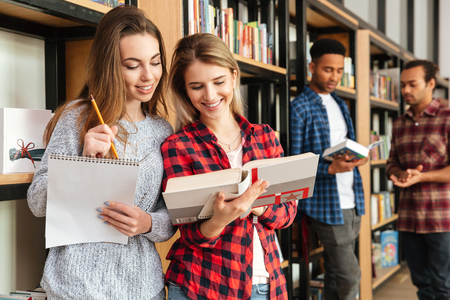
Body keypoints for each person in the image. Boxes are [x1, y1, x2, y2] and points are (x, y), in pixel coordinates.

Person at [27, 5, 175, 299]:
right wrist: (80, 163)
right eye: (132, 65)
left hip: (143, 289)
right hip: (75, 288)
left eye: (155, 62)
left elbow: (172, 216)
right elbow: (37, 203)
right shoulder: (77, 117)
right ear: (110, 65)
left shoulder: (164, 131)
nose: (148, 75)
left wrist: (147, 223)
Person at [161, 33, 296, 300]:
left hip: (265, 284)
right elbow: (190, 236)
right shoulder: (178, 146)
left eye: (219, 81)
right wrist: (222, 218)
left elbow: (288, 214)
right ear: (185, 89)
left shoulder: (266, 137)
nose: (210, 95)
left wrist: (260, 206)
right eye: (196, 86)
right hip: (201, 285)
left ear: (234, 77)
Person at [290, 38, 367, 300]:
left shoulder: (340, 104)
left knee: (335, 271)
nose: (334, 77)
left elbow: (345, 145)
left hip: (353, 198)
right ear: (312, 66)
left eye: (339, 71)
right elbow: (295, 162)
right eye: (327, 69)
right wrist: (329, 168)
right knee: (350, 275)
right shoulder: (299, 107)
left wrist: (358, 157)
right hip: (325, 204)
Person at [386, 60, 450, 300]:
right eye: (403, 85)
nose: (405, 91)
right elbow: (391, 163)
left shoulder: (447, 117)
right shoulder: (399, 123)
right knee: (422, 285)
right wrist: (399, 173)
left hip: (442, 220)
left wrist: (422, 177)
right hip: (409, 217)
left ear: (431, 84)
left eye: (412, 84)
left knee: (443, 286)